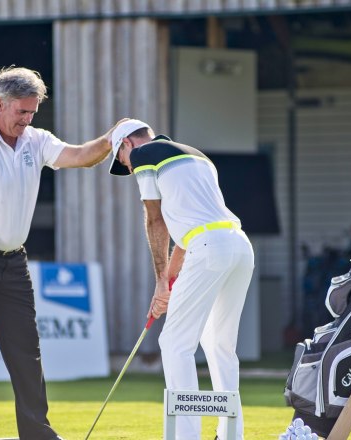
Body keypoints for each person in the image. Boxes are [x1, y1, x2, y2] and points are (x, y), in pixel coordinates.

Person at [0, 66, 123, 440]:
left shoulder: (35, 140)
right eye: (21, 112)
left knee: (27, 354)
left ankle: (38, 435)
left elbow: (79, 156)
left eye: (32, 113)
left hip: (14, 260)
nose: (27, 120)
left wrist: (112, 138)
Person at [109, 119, 255, 440]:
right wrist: (169, 279)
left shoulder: (142, 154)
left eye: (122, 161)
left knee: (174, 343)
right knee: (220, 346)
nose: (129, 169)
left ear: (126, 145)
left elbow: (155, 218)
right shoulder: (196, 155)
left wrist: (161, 281)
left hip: (209, 248)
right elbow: (190, 233)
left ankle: (185, 436)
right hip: (239, 246)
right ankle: (231, 435)